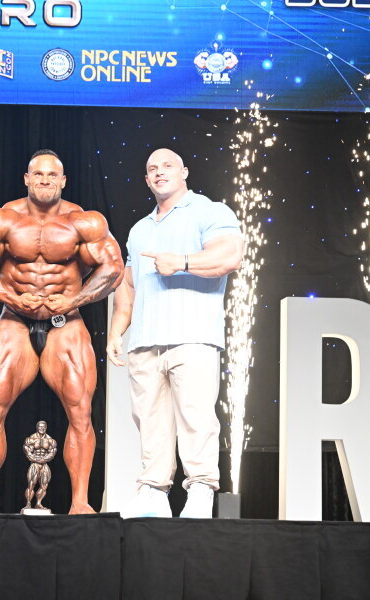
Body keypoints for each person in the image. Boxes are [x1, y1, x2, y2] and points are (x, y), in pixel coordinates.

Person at [0, 149, 124, 514]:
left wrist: (74, 300)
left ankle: (80, 502)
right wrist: (11, 297)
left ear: (63, 181)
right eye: (38, 174)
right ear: (27, 179)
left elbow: (113, 268)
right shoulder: (0, 219)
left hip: (65, 321)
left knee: (80, 410)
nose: (45, 180)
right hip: (14, 319)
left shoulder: (85, 223)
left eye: (52, 175)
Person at [107, 147, 244, 519]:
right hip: (144, 341)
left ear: (184, 171)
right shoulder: (140, 229)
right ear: (146, 179)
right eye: (152, 168)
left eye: (167, 165)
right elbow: (129, 285)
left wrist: (181, 262)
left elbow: (230, 255)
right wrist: (116, 331)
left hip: (193, 336)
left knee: (196, 418)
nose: (159, 171)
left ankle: (200, 490)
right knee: (149, 421)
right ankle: (153, 492)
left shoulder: (210, 211)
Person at [22, 421, 57, 512]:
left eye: (43, 427)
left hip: (44, 464)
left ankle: (38, 503)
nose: (42, 428)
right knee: (31, 484)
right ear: (37, 427)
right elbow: (27, 451)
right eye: (40, 427)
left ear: (46, 428)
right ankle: (28, 503)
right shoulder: (31, 439)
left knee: (44, 485)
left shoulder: (50, 440)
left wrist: (44, 459)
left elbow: (52, 452)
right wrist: (35, 459)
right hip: (35, 464)